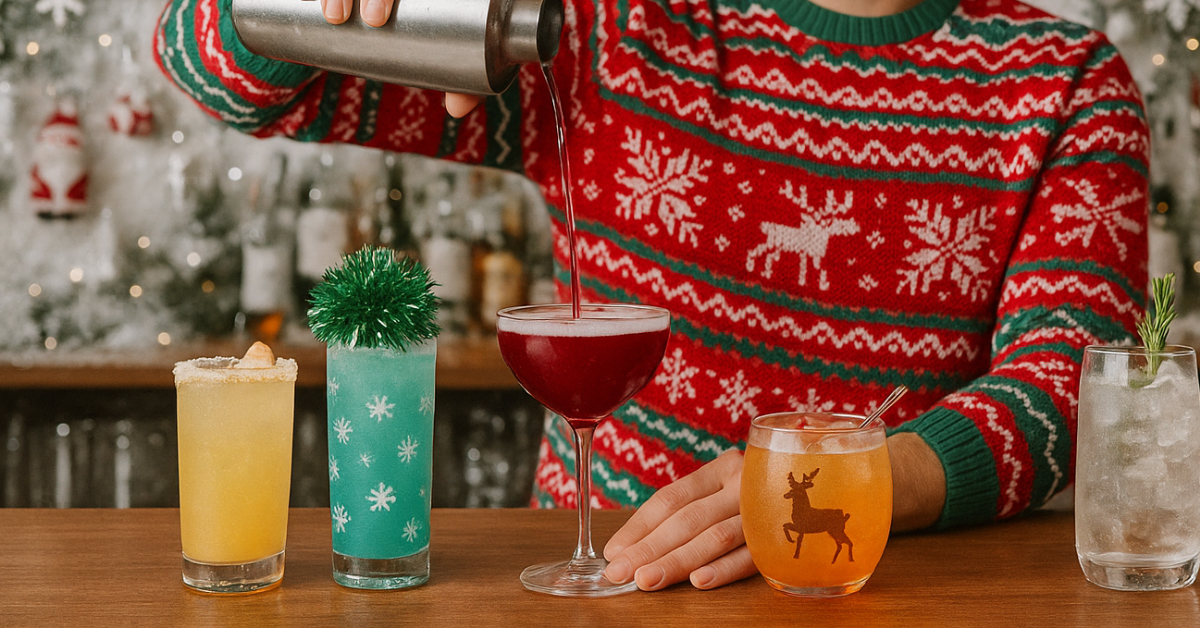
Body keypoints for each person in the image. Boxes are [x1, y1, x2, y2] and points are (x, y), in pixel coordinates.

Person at [155, 0, 1149, 592]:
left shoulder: (1066, 84)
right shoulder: (609, 26)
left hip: (873, 593)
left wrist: (855, 478)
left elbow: (1075, 385)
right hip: (604, 588)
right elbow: (217, 69)